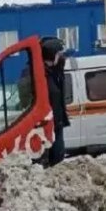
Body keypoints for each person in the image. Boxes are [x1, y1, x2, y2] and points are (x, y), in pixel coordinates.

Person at [41, 37, 69, 165]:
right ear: (52, 55)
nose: (61, 57)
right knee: (55, 157)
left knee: (59, 154)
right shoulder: (43, 75)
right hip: (49, 124)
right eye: (59, 54)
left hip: (57, 123)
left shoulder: (55, 71)